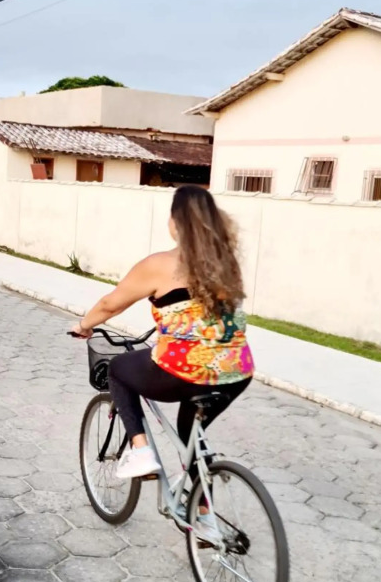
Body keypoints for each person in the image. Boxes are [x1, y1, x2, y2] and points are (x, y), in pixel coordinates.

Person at [70, 186, 254, 535]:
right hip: (236, 372)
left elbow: (111, 305)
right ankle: (205, 517)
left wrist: (83, 326)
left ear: (174, 223)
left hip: (184, 371)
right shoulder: (226, 264)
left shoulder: (160, 264)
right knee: (192, 436)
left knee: (120, 369)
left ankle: (140, 451)